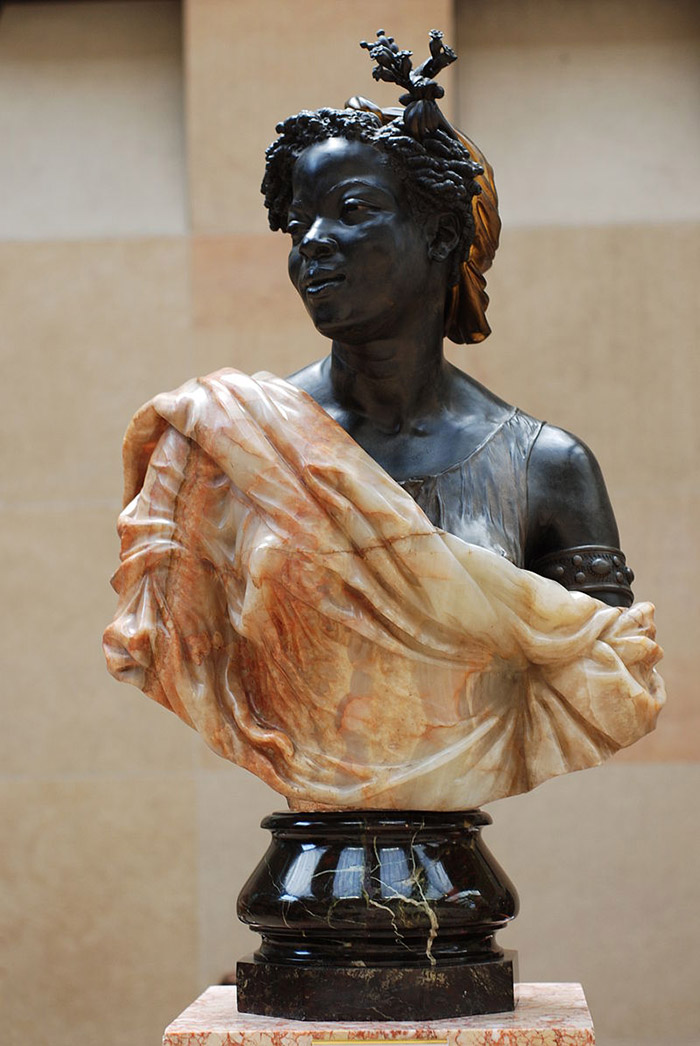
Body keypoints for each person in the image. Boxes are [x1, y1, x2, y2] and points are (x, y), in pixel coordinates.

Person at [103, 31, 663, 811]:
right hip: (308, 867)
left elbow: (610, 672)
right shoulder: (224, 446)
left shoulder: (548, 467)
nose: (312, 244)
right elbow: (175, 639)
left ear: (442, 235)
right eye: (298, 224)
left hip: (447, 872)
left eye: (352, 212)